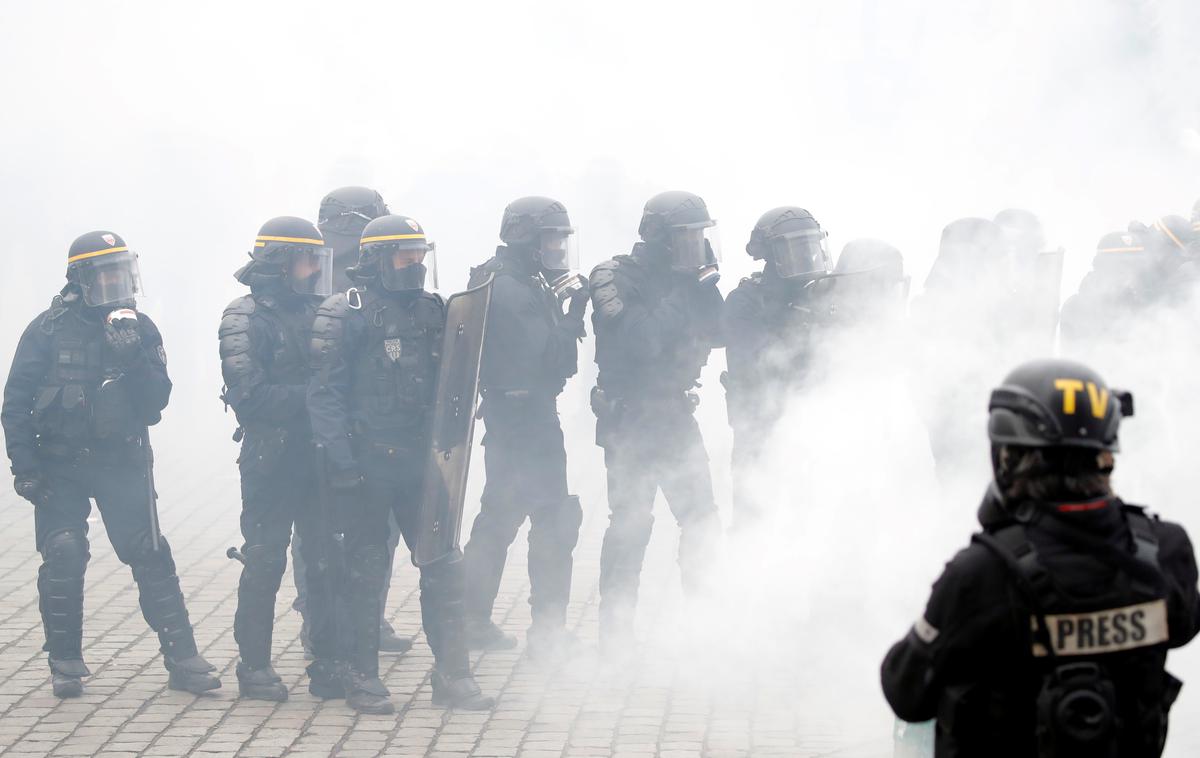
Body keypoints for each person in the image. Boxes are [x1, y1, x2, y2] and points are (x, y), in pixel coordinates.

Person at [881, 358, 1200, 757]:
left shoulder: (982, 573)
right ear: (1105, 453)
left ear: (1008, 458)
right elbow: (1184, 627)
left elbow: (907, 693)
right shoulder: (1165, 551)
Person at [2, 231, 220, 698]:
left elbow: (155, 405)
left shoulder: (140, 329)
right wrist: (24, 465)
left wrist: (134, 357)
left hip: (121, 458)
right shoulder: (45, 330)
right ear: (82, 280)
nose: (119, 284)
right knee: (63, 551)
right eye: (108, 275)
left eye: (124, 273)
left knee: (150, 550)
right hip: (59, 464)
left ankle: (183, 658)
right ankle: (64, 662)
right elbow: (15, 402)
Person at [308, 213, 493, 713]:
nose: (414, 264)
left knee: (442, 565)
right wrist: (342, 463)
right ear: (375, 259)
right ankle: (360, 676)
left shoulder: (436, 309)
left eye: (418, 255)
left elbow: (455, 378)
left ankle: (452, 675)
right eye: (403, 255)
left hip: (422, 463)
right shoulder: (343, 313)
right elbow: (324, 395)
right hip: (369, 464)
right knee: (364, 573)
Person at [589, 190, 724, 655]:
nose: (695, 244)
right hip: (631, 420)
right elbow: (640, 341)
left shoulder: (689, 279)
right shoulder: (613, 276)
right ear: (659, 237)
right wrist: (686, 289)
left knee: (702, 521)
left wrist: (707, 287)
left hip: (674, 415)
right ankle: (615, 634)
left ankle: (706, 627)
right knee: (631, 523)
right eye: (685, 236)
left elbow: (720, 330)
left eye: (699, 235)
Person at [460, 196, 588, 661]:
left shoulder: (500, 276)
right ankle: (547, 635)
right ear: (526, 238)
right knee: (552, 519)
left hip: (510, 416)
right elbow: (553, 360)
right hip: (527, 418)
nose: (556, 248)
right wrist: (573, 314)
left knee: (499, 516)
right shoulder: (512, 288)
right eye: (548, 238)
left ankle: (470, 620)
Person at [219, 217, 335, 701]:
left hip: (319, 454)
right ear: (280, 262)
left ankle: (330, 659)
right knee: (265, 559)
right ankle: (254, 665)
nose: (314, 269)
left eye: (317, 260)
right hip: (271, 455)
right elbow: (251, 394)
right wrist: (319, 397)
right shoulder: (243, 317)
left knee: (328, 558)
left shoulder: (325, 311)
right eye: (306, 259)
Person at [294, 185, 411, 657]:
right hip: (371, 417)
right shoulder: (379, 259)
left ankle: (321, 626)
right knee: (375, 529)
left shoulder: (305, 260)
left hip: (317, 416)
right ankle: (361, 621)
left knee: (320, 531)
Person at [722, 207, 831, 527]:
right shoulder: (745, 300)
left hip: (810, 430)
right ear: (772, 255)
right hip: (759, 428)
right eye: (796, 249)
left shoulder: (820, 296)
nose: (807, 257)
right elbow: (757, 364)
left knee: (810, 519)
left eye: (810, 246)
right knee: (754, 517)